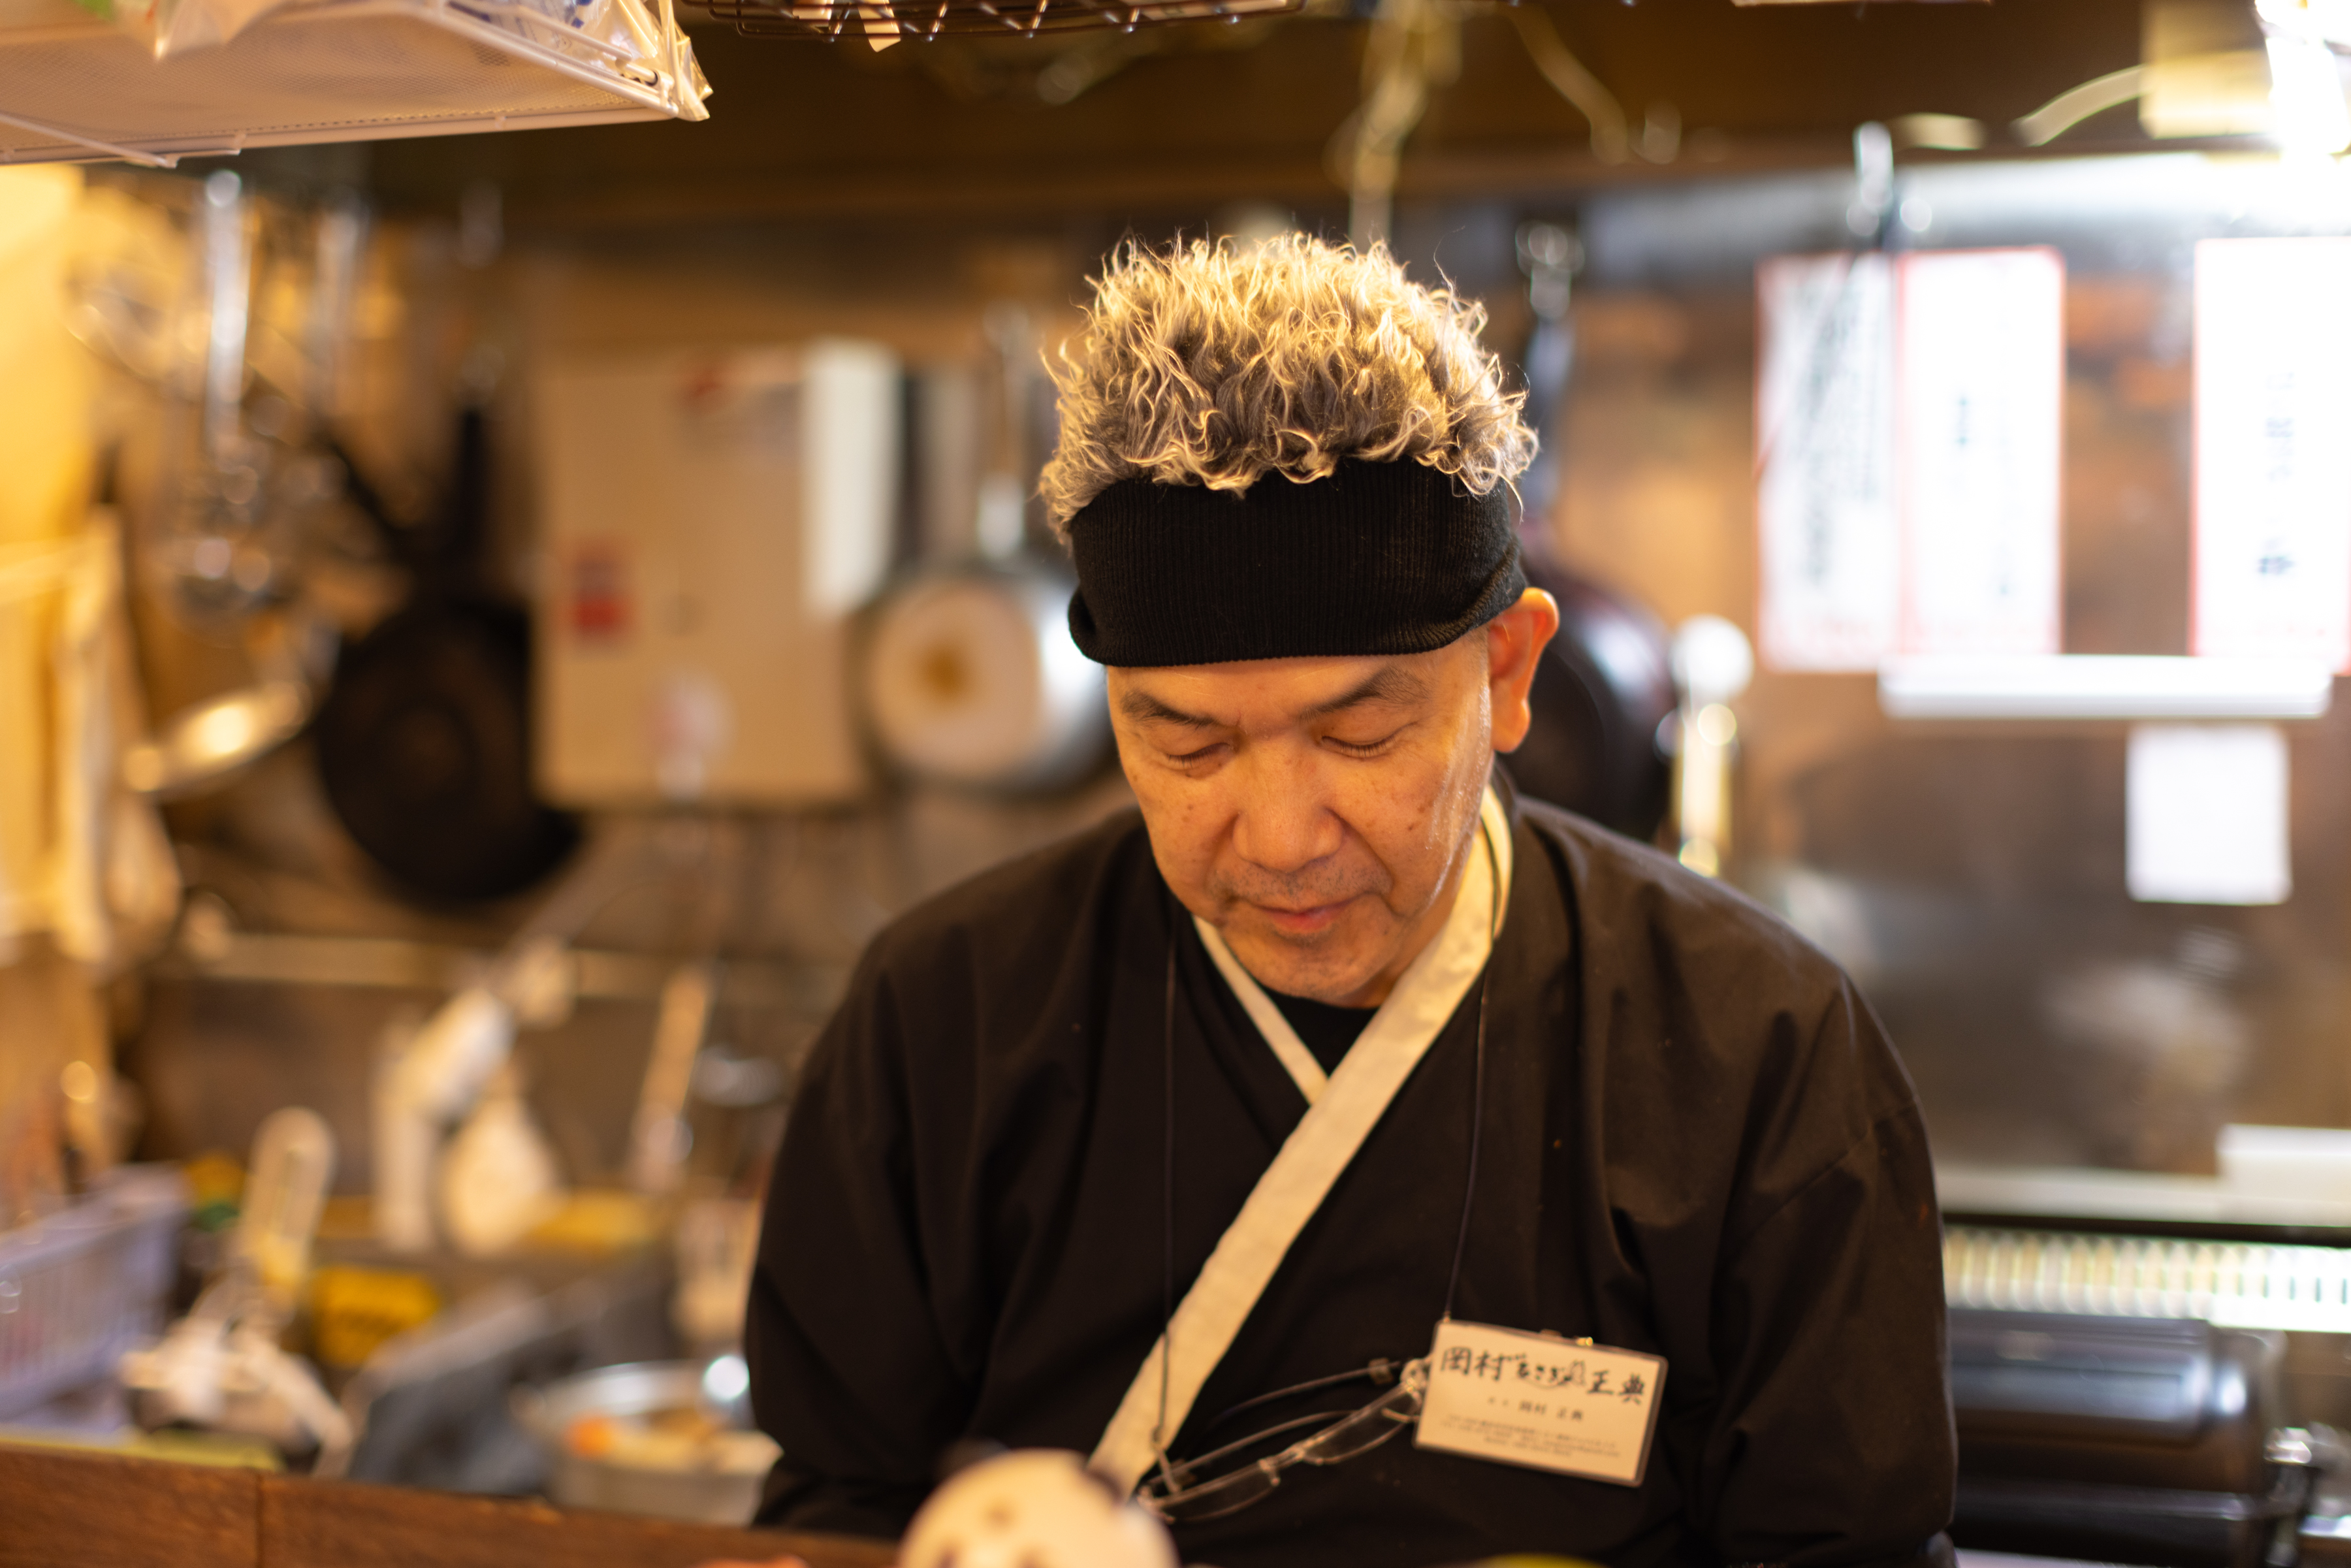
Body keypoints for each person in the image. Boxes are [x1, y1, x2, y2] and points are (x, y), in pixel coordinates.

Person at [744, 236, 1954, 1568]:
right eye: (1188, 744)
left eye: (1360, 735)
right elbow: (836, 1506)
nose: (1277, 838)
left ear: (1507, 671)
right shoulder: (947, 1014)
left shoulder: (1756, 1051)